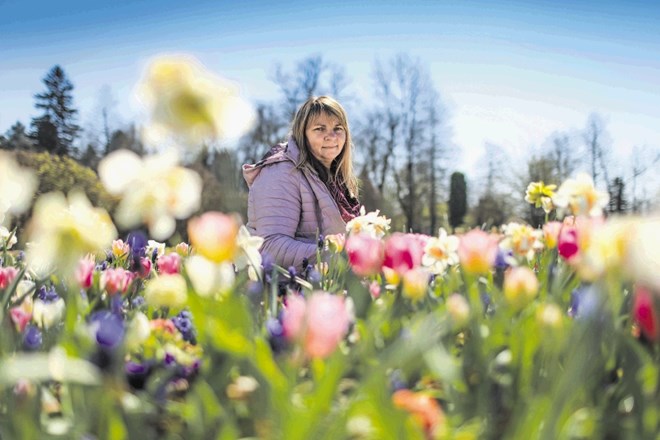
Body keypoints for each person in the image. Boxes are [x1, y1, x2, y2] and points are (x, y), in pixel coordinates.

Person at [242, 95, 360, 270]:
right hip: (285, 290)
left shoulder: (336, 182)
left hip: (324, 288)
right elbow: (270, 246)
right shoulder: (281, 172)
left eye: (338, 128)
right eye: (320, 129)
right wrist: (341, 257)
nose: (331, 136)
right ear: (302, 133)